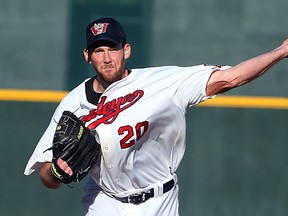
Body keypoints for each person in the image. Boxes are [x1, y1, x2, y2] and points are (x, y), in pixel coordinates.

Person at [24, 17, 288, 216]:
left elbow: (232, 77)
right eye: (98, 50)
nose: (106, 58)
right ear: (87, 56)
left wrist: (282, 51)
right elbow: (46, 177)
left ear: (126, 50)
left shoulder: (162, 82)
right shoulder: (72, 104)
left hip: (158, 201)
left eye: (112, 49)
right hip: (104, 200)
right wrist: (57, 172)